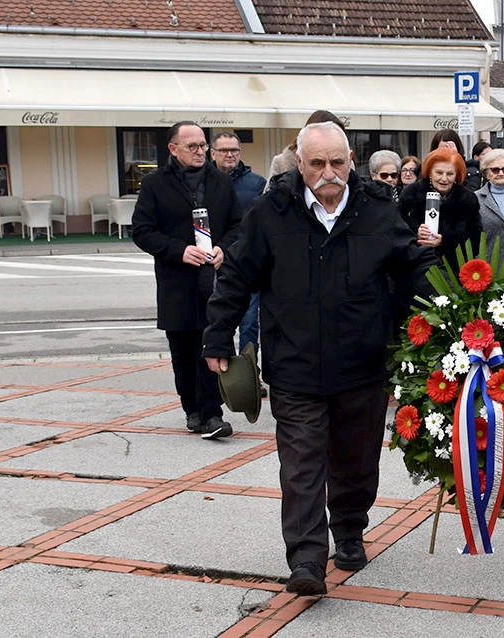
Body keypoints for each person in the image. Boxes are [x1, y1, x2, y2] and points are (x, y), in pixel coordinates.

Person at [203, 121, 438, 596]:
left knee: (356, 461)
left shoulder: (376, 208)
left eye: (337, 162)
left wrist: (456, 307)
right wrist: (216, 339)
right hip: (295, 366)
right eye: (317, 164)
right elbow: (236, 275)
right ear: (300, 161)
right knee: (301, 465)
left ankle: (349, 531)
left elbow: (411, 266)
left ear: (351, 160)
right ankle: (307, 559)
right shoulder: (272, 210)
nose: (329, 173)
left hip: (362, 365)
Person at [132, 121, 243, 439]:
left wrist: (225, 248)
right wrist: (179, 251)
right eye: (192, 146)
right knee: (183, 351)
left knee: (214, 343)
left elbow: (239, 226)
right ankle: (192, 409)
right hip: (176, 281)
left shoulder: (220, 182)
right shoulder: (155, 184)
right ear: (173, 149)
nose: (200, 152)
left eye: (203, 146)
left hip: (215, 281)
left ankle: (212, 413)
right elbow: (142, 230)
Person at [210, 132, 268, 397]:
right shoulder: (205, 183)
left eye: (234, 150)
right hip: (212, 260)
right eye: (223, 150)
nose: (229, 154)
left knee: (249, 324)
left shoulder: (256, 183)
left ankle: (249, 376)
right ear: (213, 153)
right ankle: (220, 374)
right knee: (217, 319)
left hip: (247, 261)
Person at [399, 147, 482, 273]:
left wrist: (446, 241)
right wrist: (416, 234)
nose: (444, 179)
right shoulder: (411, 195)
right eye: (439, 173)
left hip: (454, 272)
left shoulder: (467, 200)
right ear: (430, 173)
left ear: (456, 176)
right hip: (415, 270)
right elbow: (397, 231)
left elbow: (475, 240)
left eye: (450, 174)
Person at [266, 110, 348, 191]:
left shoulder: (348, 164)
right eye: (318, 164)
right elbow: (269, 197)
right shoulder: (281, 162)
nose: (329, 174)